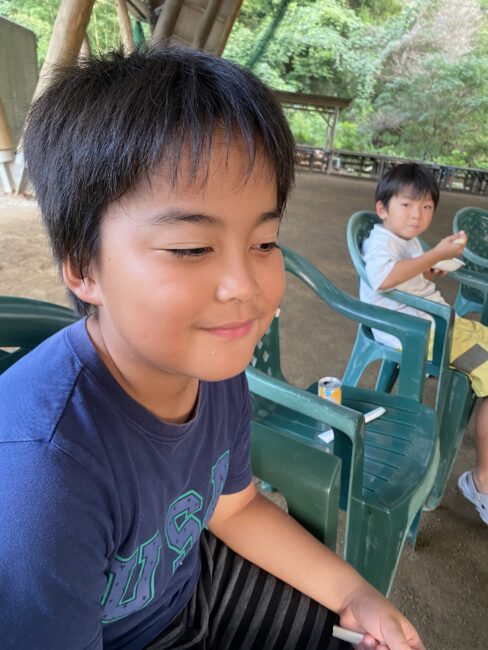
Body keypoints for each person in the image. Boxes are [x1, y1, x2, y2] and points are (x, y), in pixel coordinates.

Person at [0, 46, 424, 650]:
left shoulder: (215, 369)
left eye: (264, 242)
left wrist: (356, 595)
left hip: (195, 583)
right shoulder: (44, 477)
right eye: (192, 248)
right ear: (83, 266)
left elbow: (235, 507)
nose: (244, 287)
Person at [360, 162, 488, 526]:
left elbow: (407, 274)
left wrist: (429, 267)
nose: (417, 215)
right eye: (407, 205)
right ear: (382, 208)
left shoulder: (406, 240)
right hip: (417, 331)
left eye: (427, 206)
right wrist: (433, 256)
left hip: (437, 322)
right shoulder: (382, 240)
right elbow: (383, 278)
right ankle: (482, 481)